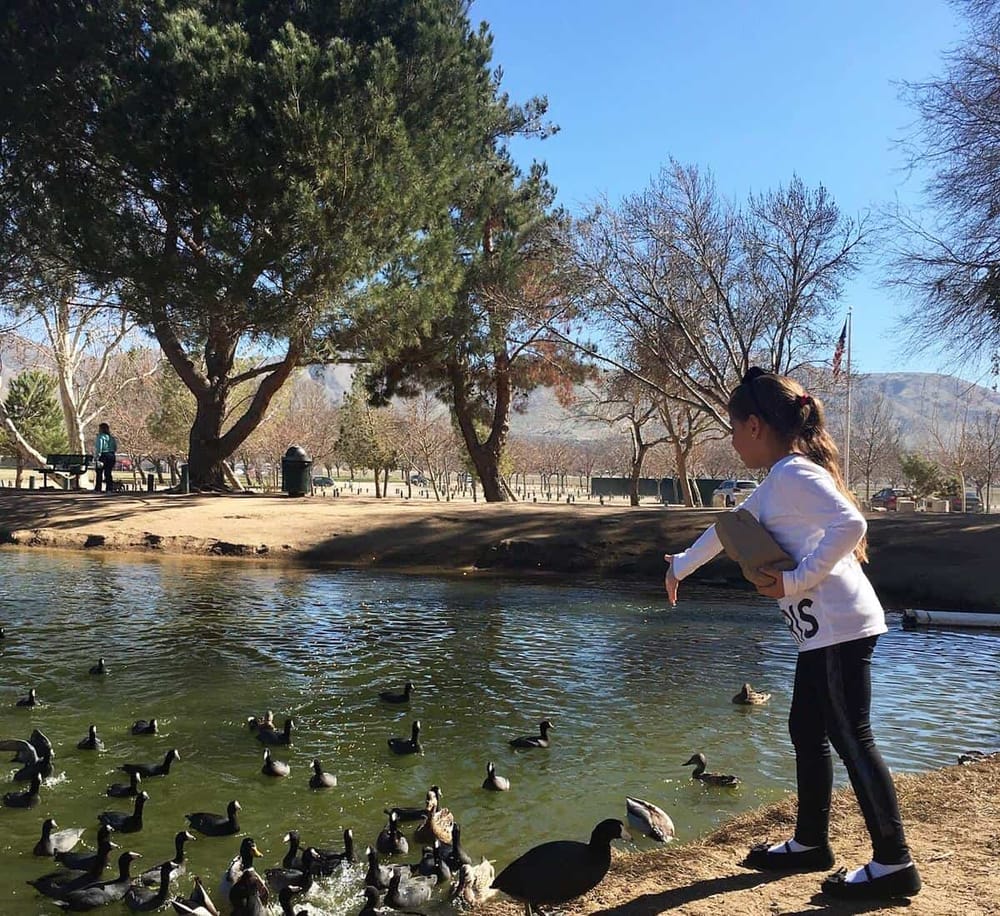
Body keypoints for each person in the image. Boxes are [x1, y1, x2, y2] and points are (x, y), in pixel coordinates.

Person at [664, 367, 920, 901]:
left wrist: (796, 579)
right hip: (821, 632)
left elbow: (853, 525)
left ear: (755, 426)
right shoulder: (778, 481)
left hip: (839, 626)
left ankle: (895, 864)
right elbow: (727, 529)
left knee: (852, 737)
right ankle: (810, 843)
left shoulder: (796, 475)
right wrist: (679, 567)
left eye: (733, 428)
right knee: (806, 730)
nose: (732, 440)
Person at [93, 422, 117, 494]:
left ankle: (98, 489)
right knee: (108, 473)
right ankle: (109, 489)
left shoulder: (100, 437)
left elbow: (99, 447)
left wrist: (97, 456)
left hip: (103, 455)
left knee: (99, 472)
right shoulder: (111, 438)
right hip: (111, 455)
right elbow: (115, 447)